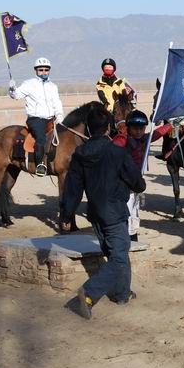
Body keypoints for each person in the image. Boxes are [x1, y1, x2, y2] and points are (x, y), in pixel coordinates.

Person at [60, 106, 146, 320]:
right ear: (108, 127)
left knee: (116, 252)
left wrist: (67, 215)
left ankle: (122, 293)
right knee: (117, 257)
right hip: (114, 213)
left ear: (89, 128)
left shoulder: (79, 154)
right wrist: (135, 183)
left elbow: (72, 187)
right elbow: (138, 183)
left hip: (95, 213)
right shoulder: (117, 152)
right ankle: (88, 294)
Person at [112, 110, 171, 244]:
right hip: (123, 182)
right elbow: (112, 151)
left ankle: (133, 234)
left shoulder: (144, 138)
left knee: (135, 209)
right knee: (126, 209)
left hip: (136, 181)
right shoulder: (122, 139)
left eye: (141, 128)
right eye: (135, 128)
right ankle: (124, 236)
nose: (138, 131)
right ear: (128, 127)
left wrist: (170, 126)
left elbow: (155, 134)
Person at [8, 57, 64, 177]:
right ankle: (40, 165)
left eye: (46, 70)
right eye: (41, 70)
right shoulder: (29, 84)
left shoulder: (53, 86)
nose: (43, 72)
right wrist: (12, 89)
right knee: (41, 139)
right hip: (36, 119)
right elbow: (16, 95)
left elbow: (57, 102)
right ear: (36, 71)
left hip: (51, 118)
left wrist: (59, 116)